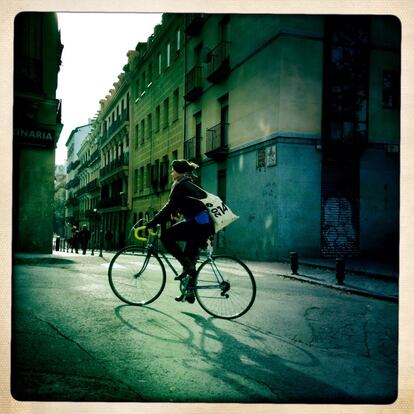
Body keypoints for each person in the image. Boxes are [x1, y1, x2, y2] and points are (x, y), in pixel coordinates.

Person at [146, 159, 215, 303]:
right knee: (190, 259)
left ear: (179, 172)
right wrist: (177, 212)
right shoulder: (191, 182)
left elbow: (169, 207)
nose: (172, 173)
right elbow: (188, 203)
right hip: (203, 224)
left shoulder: (181, 185)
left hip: (197, 224)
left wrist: (153, 222)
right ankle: (189, 292)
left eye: (173, 170)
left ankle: (187, 266)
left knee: (166, 236)